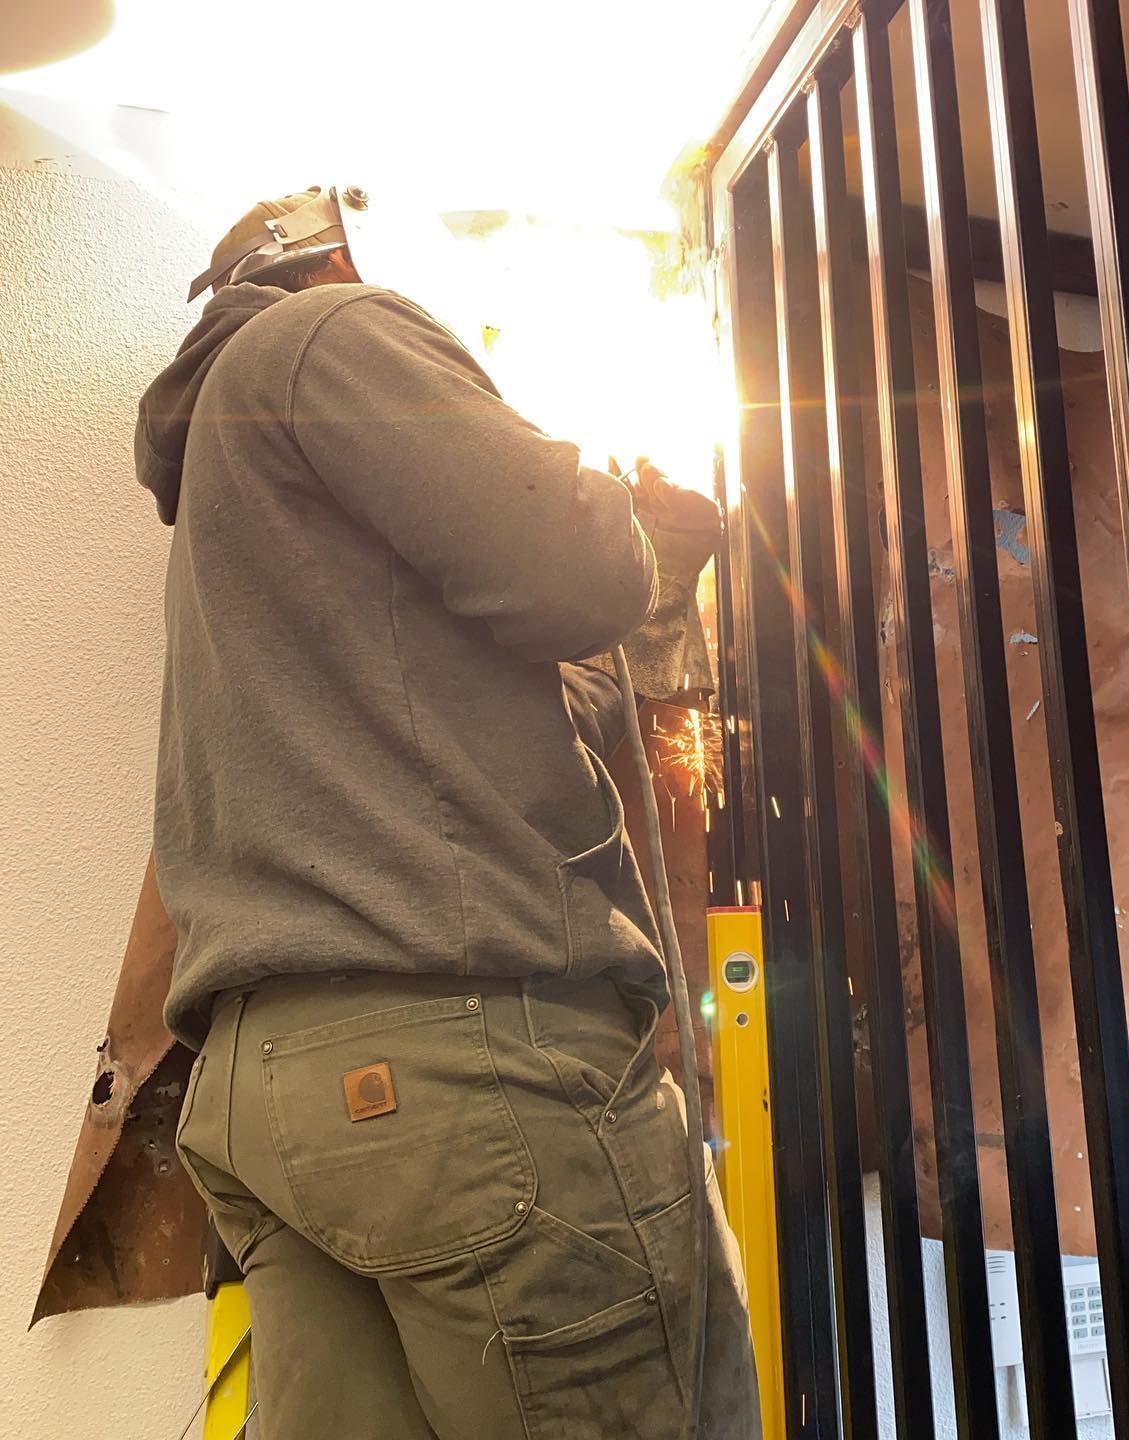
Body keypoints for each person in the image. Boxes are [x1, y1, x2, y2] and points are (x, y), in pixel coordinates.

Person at [139, 187, 760, 1439]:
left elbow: (495, 698)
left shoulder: (232, 492)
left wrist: (644, 571)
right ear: (340, 258)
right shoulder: (329, 335)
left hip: (279, 1093)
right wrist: (623, 519)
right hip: (452, 1067)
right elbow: (570, 562)